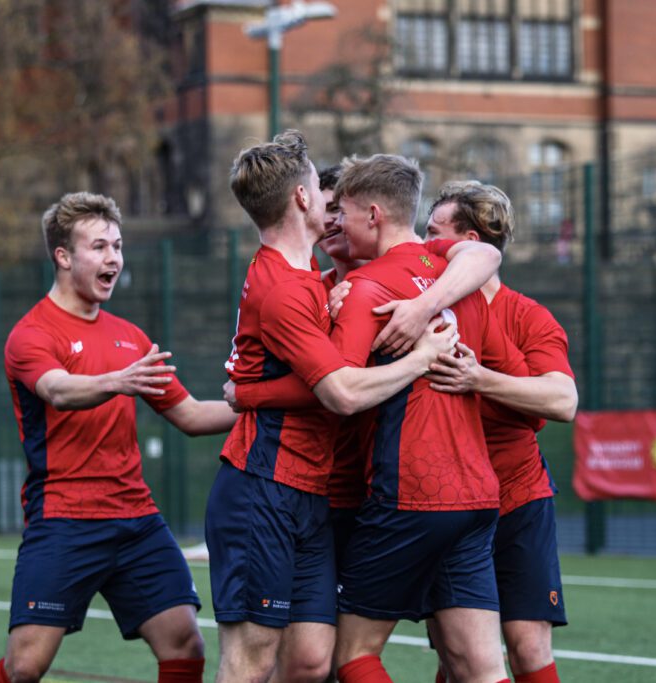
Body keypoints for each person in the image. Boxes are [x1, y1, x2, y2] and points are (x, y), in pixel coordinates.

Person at [209, 131, 498, 683]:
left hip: (314, 493)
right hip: (264, 484)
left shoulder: (322, 285)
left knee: (314, 660)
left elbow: (484, 250)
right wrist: (422, 355)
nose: (329, 201)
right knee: (253, 661)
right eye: (322, 192)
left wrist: (417, 306)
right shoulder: (287, 289)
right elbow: (339, 391)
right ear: (300, 198)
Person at [0, 192, 238, 683]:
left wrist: (262, 405)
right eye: (99, 247)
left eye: (117, 247)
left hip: (136, 518)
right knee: (24, 667)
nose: (114, 259)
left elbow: (190, 414)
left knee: (184, 641)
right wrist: (117, 381)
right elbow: (57, 390)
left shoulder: (130, 337)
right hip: (65, 519)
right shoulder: (31, 334)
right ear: (63, 256)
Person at [324, 155, 512, 683]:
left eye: (345, 211)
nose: (337, 222)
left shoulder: (368, 291)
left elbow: (339, 393)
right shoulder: (458, 276)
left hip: (410, 492)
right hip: (476, 493)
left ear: (374, 214)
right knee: (482, 667)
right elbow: (483, 255)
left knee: (353, 655)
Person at [389, 180, 579, 683]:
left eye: (433, 233)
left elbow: (562, 401)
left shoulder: (526, 315)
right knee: (460, 656)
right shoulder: (420, 305)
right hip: (448, 502)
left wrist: (480, 379)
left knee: (528, 646)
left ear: (467, 242)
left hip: (517, 496)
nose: (423, 243)